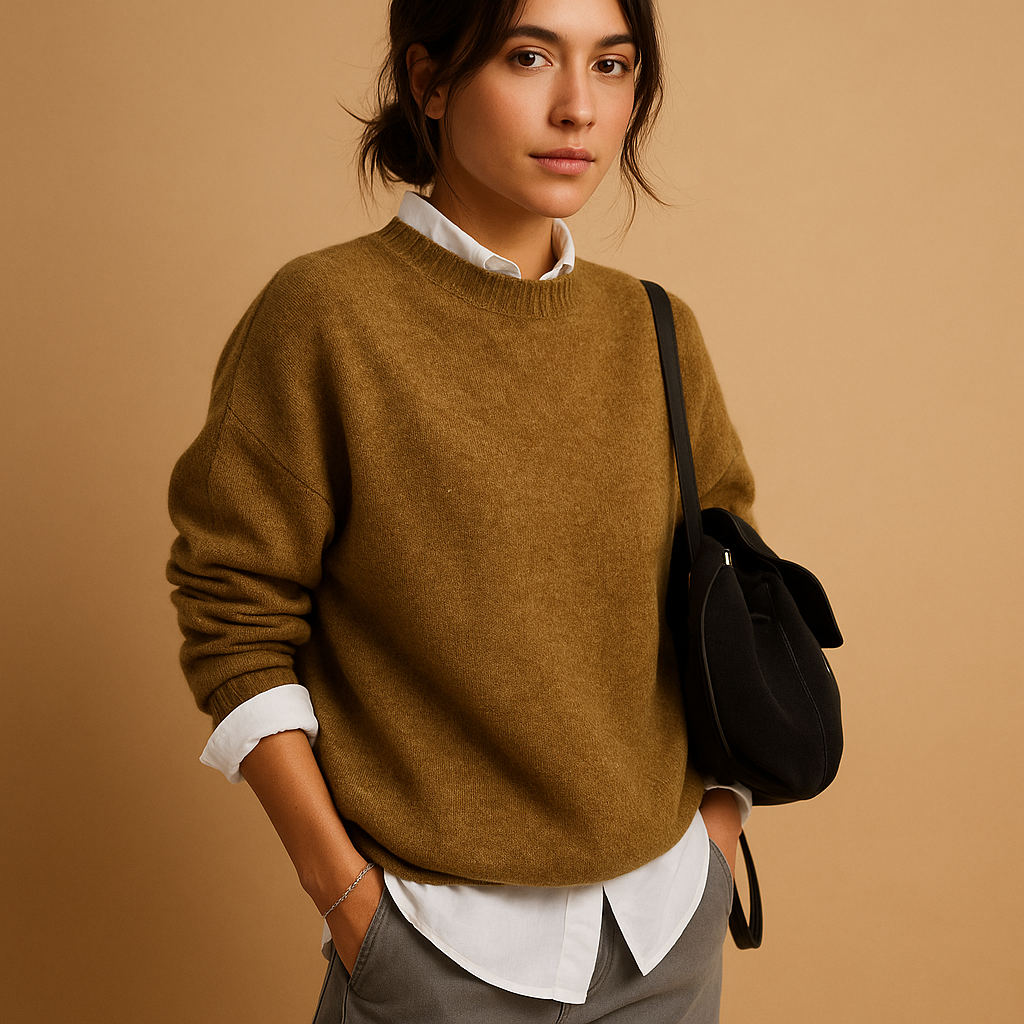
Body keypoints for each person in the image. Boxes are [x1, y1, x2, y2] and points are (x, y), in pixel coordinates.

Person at [167, 0, 757, 1020]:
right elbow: (232, 615)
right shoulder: (323, 319)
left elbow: (731, 594)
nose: (578, 107)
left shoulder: (654, 328)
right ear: (430, 82)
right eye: (529, 57)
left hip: (665, 931)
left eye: (612, 66)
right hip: (437, 953)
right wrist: (346, 898)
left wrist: (716, 832)